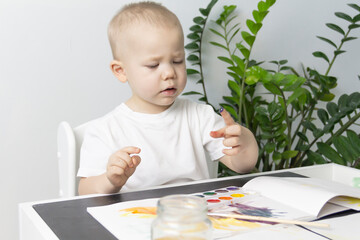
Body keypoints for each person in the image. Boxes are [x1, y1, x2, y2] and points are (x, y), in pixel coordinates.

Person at [77, 1, 258, 195]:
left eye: (177, 61)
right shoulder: (105, 130)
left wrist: (244, 142)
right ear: (121, 71)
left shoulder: (199, 116)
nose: (169, 73)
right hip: (136, 217)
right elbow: (85, 191)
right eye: (153, 65)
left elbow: (242, 166)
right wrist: (109, 180)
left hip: (194, 217)